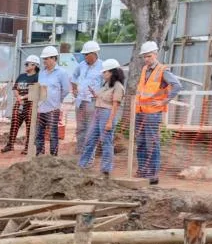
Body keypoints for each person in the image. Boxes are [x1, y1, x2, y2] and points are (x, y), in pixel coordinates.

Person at [134, 40, 182, 185]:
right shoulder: (144, 69)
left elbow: (177, 86)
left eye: (148, 56)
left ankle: (153, 174)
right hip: (141, 111)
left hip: (153, 113)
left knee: (152, 143)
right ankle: (142, 169)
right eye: (144, 56)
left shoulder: (163, 70)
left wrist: (163, 102)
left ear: (155, 54)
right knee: (141, 142)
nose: (146, 59)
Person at [78, 59, 124, 177]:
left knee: (106, 142)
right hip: (98, 113)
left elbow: (115, 105)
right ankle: (81, 165)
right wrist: (95, 94)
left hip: (107, 114)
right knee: (90, 139)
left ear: (112, 72)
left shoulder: (118, 86)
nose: (103, 74)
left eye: (105, 72)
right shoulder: (106, 85)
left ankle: (106, 169)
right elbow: (102, 97)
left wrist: (109, 121)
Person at [34, 46, 72, 157]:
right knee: (39, 133)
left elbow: (65, 89)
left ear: (54, 58)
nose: (44, 61)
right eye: (43, 59)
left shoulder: (62, 73)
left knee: (53, 134)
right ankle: (39, 155)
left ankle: (53, 157)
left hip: (53, 109)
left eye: (46, 58)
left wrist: (57, 101)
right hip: (41, 109)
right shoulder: (41, 73)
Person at [71, 40, 104, 153]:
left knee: (91, 127)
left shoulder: (102, 66)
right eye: (84, 54)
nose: (84, 56)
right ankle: (80, 149)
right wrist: (74, 89)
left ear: (94, 53)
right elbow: (74, 77)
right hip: (80, 101)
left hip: (92, 102)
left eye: (86, 54)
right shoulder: (81, 66)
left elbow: (107, 83)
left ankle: (90, 152)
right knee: (80, 127)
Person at [2, 56, 39, 153]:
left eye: (27, 64)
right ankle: (10, 145)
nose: (25, 66)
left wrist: (22, 97)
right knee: (14, 123)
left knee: (29, 126)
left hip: (30, 104)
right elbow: (15, 88)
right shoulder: (21, 76)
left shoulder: (37, 77)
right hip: (19, 103)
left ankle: (28, 147)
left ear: (34, 65)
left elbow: (36, 92)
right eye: (26, 64)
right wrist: (18, 97)